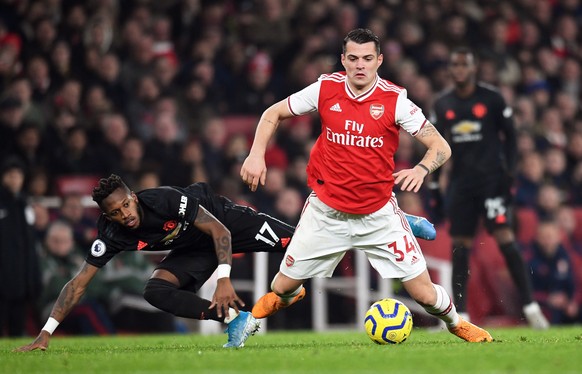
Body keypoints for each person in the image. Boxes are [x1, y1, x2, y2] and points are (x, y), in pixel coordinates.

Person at [240, 28, 492, 342]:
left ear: (379, 60)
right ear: (343, 60)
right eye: (354, 58)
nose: (361, 65)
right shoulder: (324, 89)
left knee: (425, 295)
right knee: (282, 288)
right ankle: (269, 307)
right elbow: (272, 113)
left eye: (368, 59)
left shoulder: (395, 100)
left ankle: (457, 324)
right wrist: (256, 154)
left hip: (377, 214)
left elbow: (441, 146)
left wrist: (422, 168)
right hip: (326, 212)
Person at [15, 173, 295, 350]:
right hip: (193, 248)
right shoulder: (111, 234)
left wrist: (223, 279)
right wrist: (45, 333)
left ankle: (304, 275)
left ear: (133, 197)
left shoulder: (163, 200)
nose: (124, 214)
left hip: (225, 222)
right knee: (155, 291)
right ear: (106, 216)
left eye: (125, 205)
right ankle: (236, 321)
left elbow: (219, 230)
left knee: (301, 244)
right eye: (114, 212)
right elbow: (78, 284)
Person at [431, 47, 549, 329]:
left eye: (464, 64)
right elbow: (435, 144)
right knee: (461, 246)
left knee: (505, 237)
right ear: (451, 70)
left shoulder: (492, 98)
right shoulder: (443, 104)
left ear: (473, 68)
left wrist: (509, 173)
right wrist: (435, 184)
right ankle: (461, 315)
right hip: (461, 184)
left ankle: (531, 307)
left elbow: (510, 136)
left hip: (491, 181)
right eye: (455, 65)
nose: (459, 70)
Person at [0, 156, 42, 337]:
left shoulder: (25, 205)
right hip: (2, 279)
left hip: (22, 280)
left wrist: (33, 276)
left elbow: (30, 245)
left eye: (18, 175)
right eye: (10, 175)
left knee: (17, 330)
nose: (14, 179)